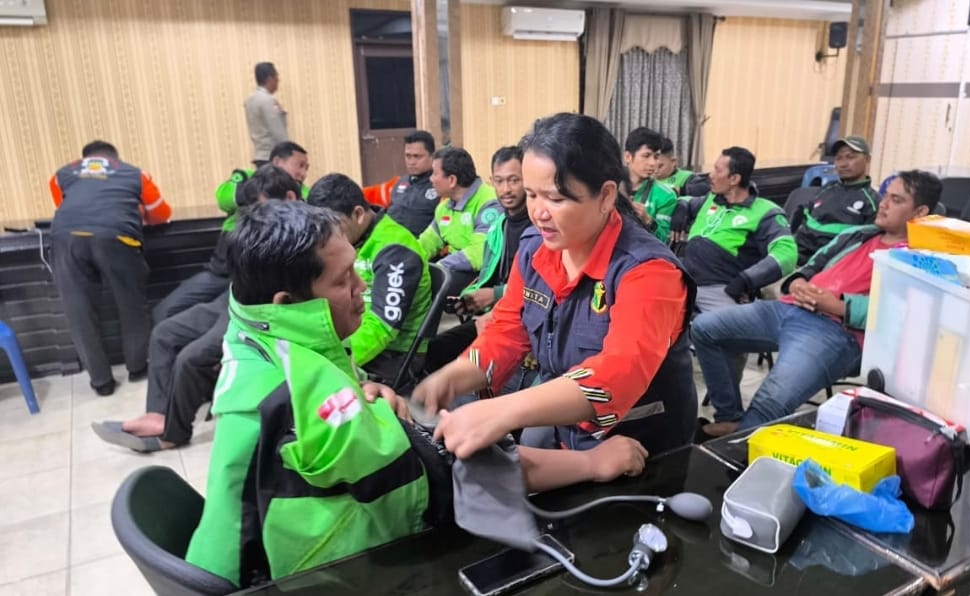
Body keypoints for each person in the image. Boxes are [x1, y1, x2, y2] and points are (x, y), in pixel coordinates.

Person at [185, 200, 651, 588]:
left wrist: (363, 394)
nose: (362, 286)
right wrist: (591, 463)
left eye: (551, 194)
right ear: (288, 302)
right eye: (342, 280)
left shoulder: (257, 337)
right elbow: (453, 472)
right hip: (321, 576)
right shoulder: (303, 396)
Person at [412, 112, 698, 459]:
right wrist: (454, 376)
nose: (538, 212)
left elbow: (617, 374)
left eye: (555, 199)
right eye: (532, 194)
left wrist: (503, 411)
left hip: (639, 445)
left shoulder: (648, 272)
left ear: (606, 195)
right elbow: (507, 329)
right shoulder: (536, 249)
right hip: (566, 429)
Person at [694, 170, 942, 437]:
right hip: (791, 307)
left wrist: (838, 306)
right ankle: (730, 419)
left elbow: (904, 315)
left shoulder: (922, 259)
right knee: (704, 328)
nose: (883, 204)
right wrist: (798, 283)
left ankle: (738, 444)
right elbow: (813, 264)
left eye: (896, 200)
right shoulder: (859, 235)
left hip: (835, 331)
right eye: (885, 196)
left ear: (920, 212)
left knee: (770, 402)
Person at [90, 166, 302, 452]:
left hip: (255, 310)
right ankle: (157, 414)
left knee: (191, 358)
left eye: (263, 207)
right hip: (232, 298)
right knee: (164, 333)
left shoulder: (304, 234)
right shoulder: (265, 225)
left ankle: (172, 434)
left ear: (290, 198)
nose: (258, 216)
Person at [48, 141, 172, 396]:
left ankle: (101, 382)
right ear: (114, 157)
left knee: (78, 311)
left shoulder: (61, 174)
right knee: (131, 305)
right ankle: (137, 367)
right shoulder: (135, 173)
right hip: (118, 236)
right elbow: (161, 214)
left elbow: (64, 206)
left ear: (84, 158)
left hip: (66, 239)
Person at [307, 173, 433, 384]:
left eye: (333, 226)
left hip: (394, 356)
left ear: (358, 214)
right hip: (355, 340)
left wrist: (334, 362)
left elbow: (382, 326)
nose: (326, 235)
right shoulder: (355, 239)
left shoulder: (396, 249)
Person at [425, 145, 532, 373]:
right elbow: (488, 274)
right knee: (432, 352)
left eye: (514, 180)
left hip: (522, 321)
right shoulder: (499, 226)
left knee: (463, 369)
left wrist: (495, 295)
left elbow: (542, 289)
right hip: (494, 315)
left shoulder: (539, 227)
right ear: (492, 181)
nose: (506, 189)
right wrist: (470, 298)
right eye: (499, 181)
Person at [675, 147, 797, 312]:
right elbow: (688, 201)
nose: (710, 175)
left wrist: (746, 280)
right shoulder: (712, 199)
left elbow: (787, 255)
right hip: (684, 279)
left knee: (714, 325)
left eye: (718, 170)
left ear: (734, 179)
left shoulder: (766, 212)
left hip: (719, 288)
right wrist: (681, 208)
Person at [418, 146, 502, 296]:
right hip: (453, 268)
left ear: (452, 180)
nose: (431, 179)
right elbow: (427, 242)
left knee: (429, 284)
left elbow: (480, 253)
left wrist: (440, 267)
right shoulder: (444, 207)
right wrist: (405, 259)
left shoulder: (489, 203)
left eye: (435, 174)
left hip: (482, 274)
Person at [791, 135, 879, 265]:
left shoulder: (872, 202)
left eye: (850, 157)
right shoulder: (826, 189)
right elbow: (803, 222)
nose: (843, 164)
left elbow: (865, 248)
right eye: (838, 158)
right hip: (795, 256)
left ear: (867, 159)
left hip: (829, 265)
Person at [214, 141, 310, 233]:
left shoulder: (304, 191)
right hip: (239, 235)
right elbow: (223, 200)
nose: (304, 174)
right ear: (277, 162)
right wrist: (258, 190)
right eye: (300, 166)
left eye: (306, 168)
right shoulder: (248, 176)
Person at [365, 130, 439, 236]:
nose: (411, 162)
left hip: (415, 242)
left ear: (432, 157)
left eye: (417, 156)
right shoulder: (399, 183)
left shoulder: (441, 186)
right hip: (384, 237)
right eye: (408, 156)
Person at [623, 127, 678, 243]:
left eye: (656, 157)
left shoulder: (666, 196)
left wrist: (648, 221)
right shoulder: (609, 186)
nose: (653, 163)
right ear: (628, 157)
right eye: (646, 156)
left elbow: (664, 240)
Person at [244, 62, 288, 167]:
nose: (278, 82)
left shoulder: (249, 100)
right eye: (277, 78)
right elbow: (278, 131)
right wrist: (289, 154)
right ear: (270, 78)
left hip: (259, 156)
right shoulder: (268, 100)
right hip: (273, 157)